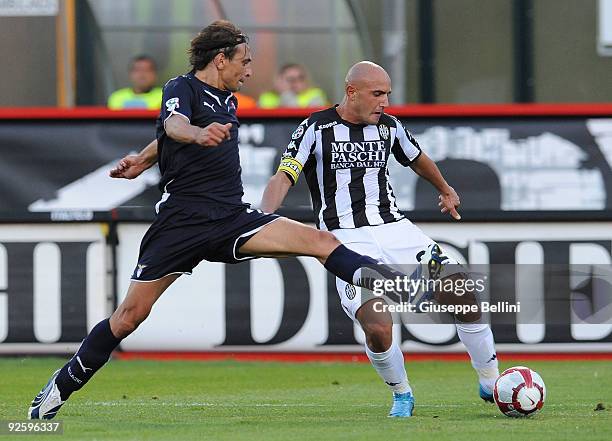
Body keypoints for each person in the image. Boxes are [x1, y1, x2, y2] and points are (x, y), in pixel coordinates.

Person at [27, 21, 438, 421]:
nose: (250, 70)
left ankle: (398, 284)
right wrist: (195, 136)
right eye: (245, 60)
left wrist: (144, 158)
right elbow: (174, 124)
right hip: (181, 223)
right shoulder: (181, 87)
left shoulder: (229, 99)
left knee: (321, 242)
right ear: (221, 59)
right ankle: (59, 388)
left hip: (230, 217)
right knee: (129, 317)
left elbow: (166, 135)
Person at [259, 61, 500, 417]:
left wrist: (445, 189)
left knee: (461, 289)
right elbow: (284, 177)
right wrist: (264, 218)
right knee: (377, 323)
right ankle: (402, 393)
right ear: (352, 92)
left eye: (387, 94)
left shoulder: (389, 127)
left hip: (395, 229)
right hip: (344, 240)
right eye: (377, 94)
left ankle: (490, 378)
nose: (385, 101)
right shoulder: (315, 127)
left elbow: (418, 159)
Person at [259, 63, 327, 108]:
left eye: (300, 78)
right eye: (291, 79)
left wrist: (286, 94)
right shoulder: (267, 97)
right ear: (279, 80)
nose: (296, 82)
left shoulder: (315, 95)